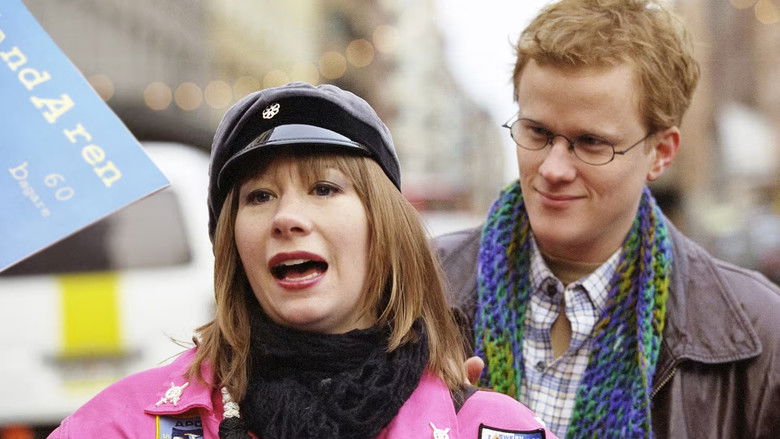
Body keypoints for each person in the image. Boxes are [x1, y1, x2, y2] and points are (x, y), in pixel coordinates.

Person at [49, 82, 556, 439]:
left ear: (384, 227)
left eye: (324, 188)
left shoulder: (488, 428)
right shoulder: (125, 425)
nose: (287, 218)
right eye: (259, 196)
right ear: (231, 244)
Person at [435, 1, 780, 438]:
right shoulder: (414, 288)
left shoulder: (761, 336)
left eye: (591, 143)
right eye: (537, 132)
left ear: (660, 153)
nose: (553, 169)